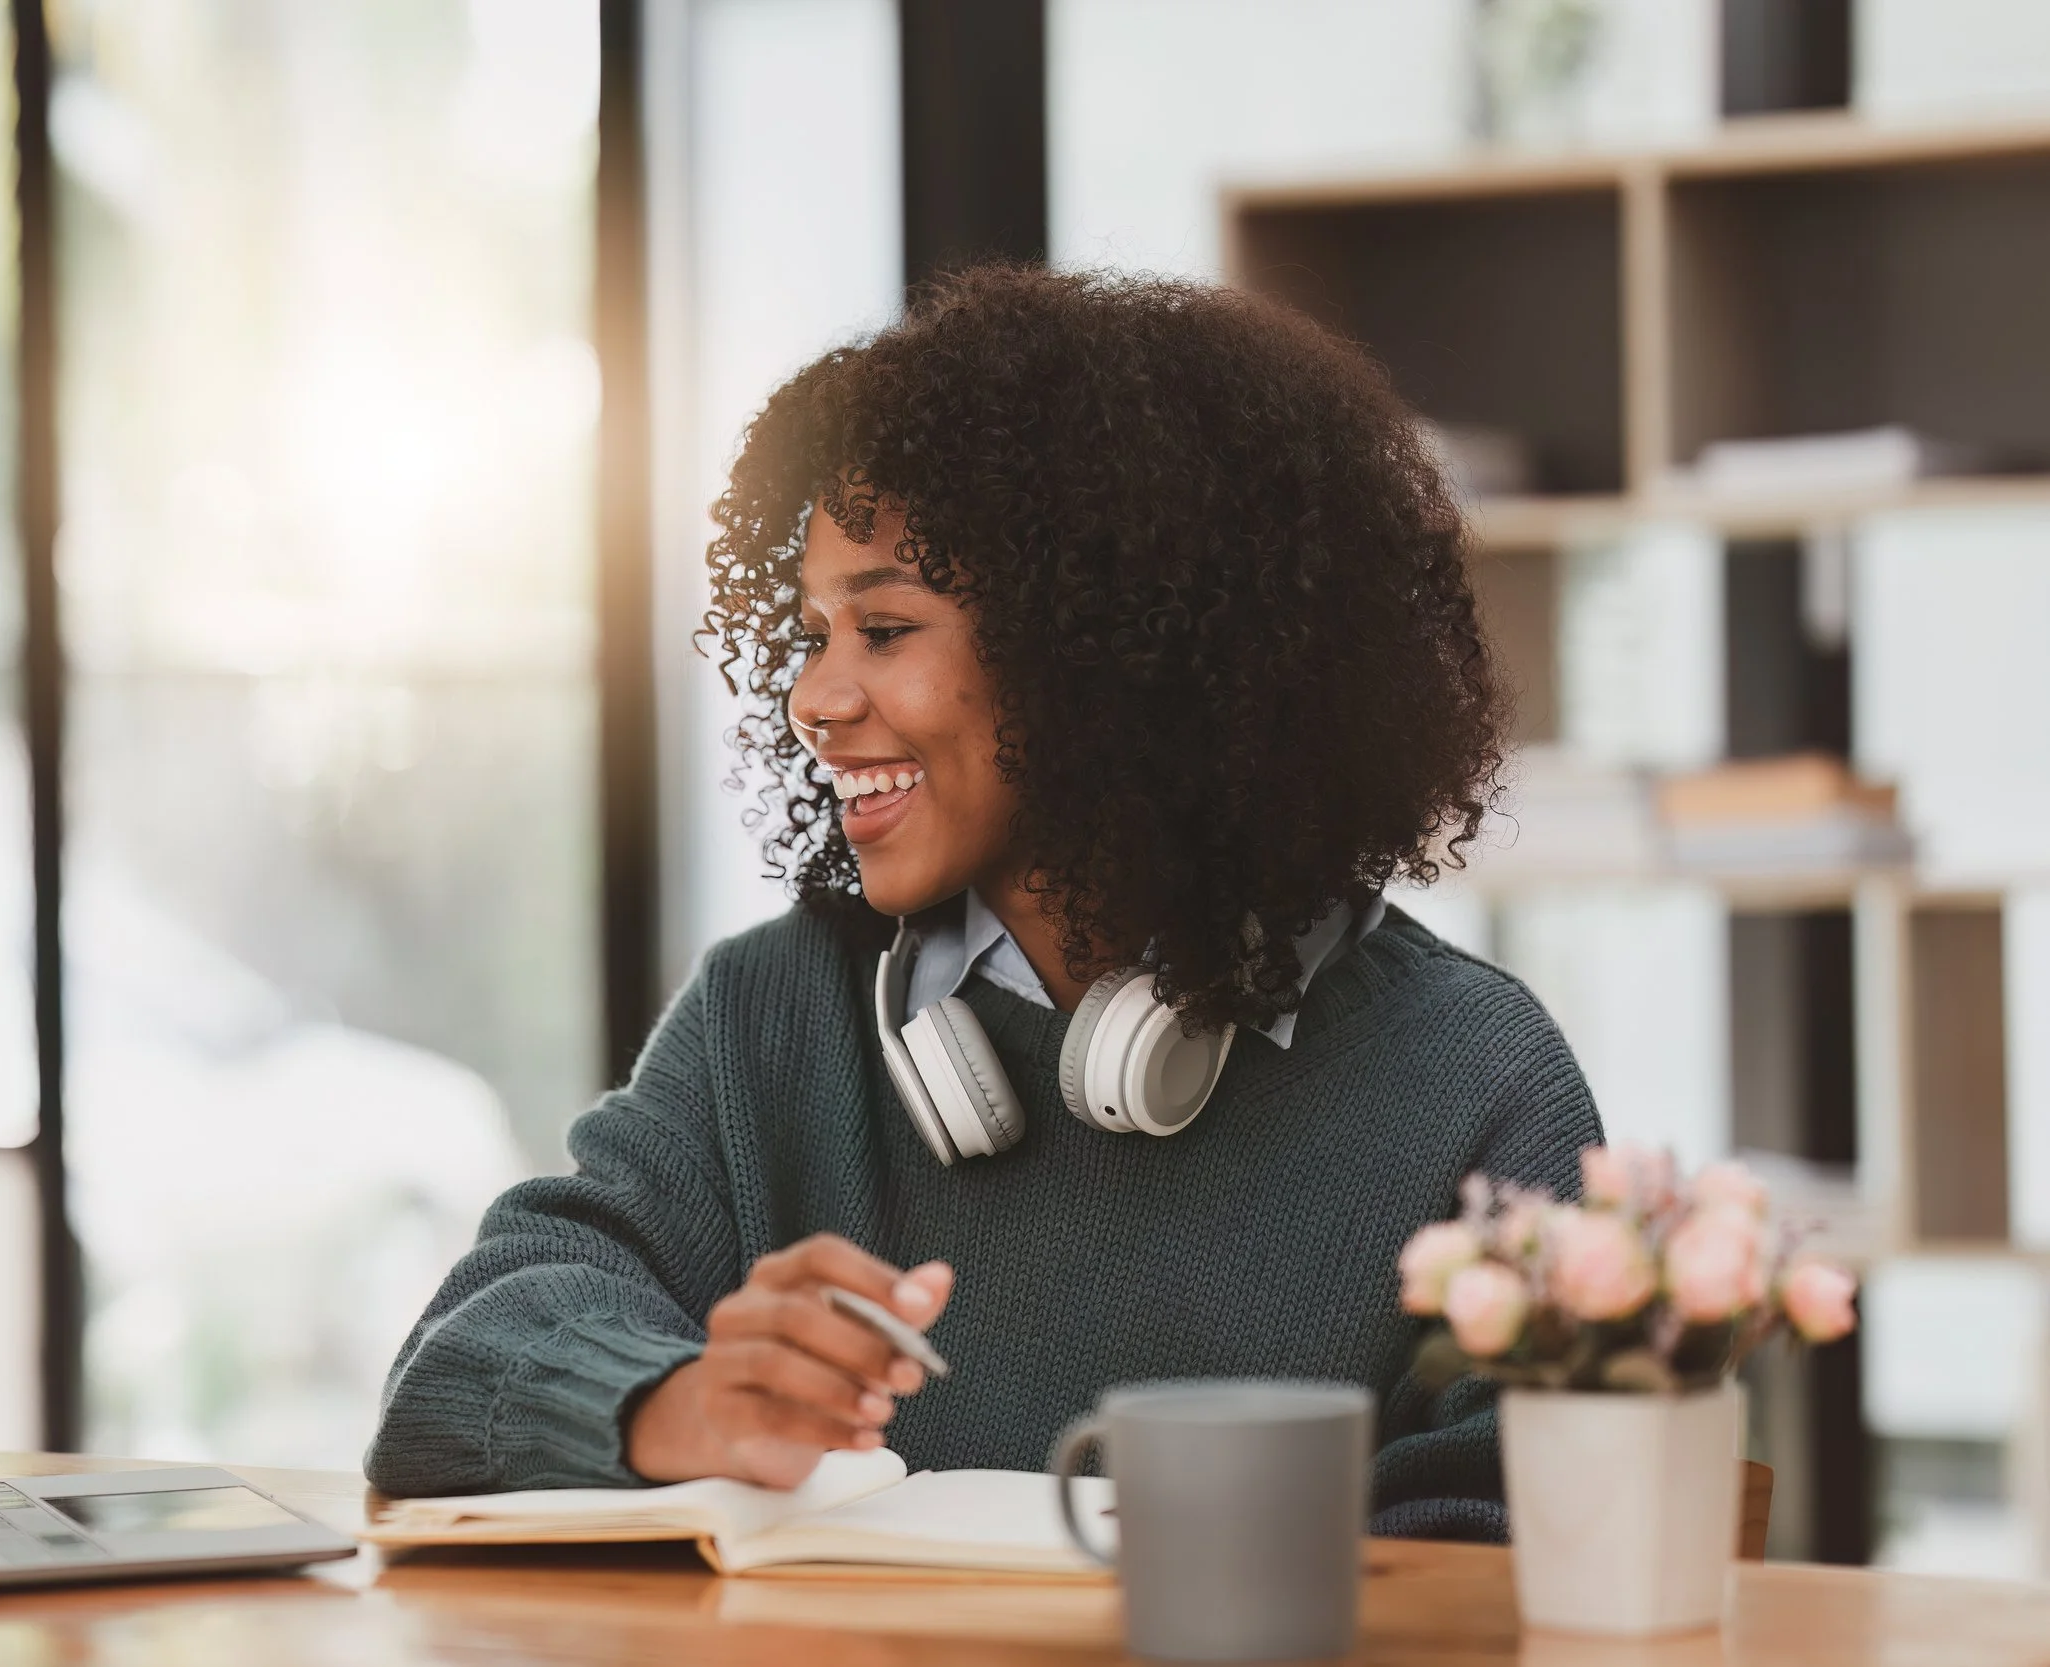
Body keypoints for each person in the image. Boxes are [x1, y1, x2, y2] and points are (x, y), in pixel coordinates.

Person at [367, 266, 1601, 1540]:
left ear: (1106, 650)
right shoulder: (772, 1016)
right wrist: (670, 1401)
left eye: (886, 628)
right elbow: (451, 1379)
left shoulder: (1473, 1079)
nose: (815, 699)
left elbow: (1522, 1560)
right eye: (812, 631)